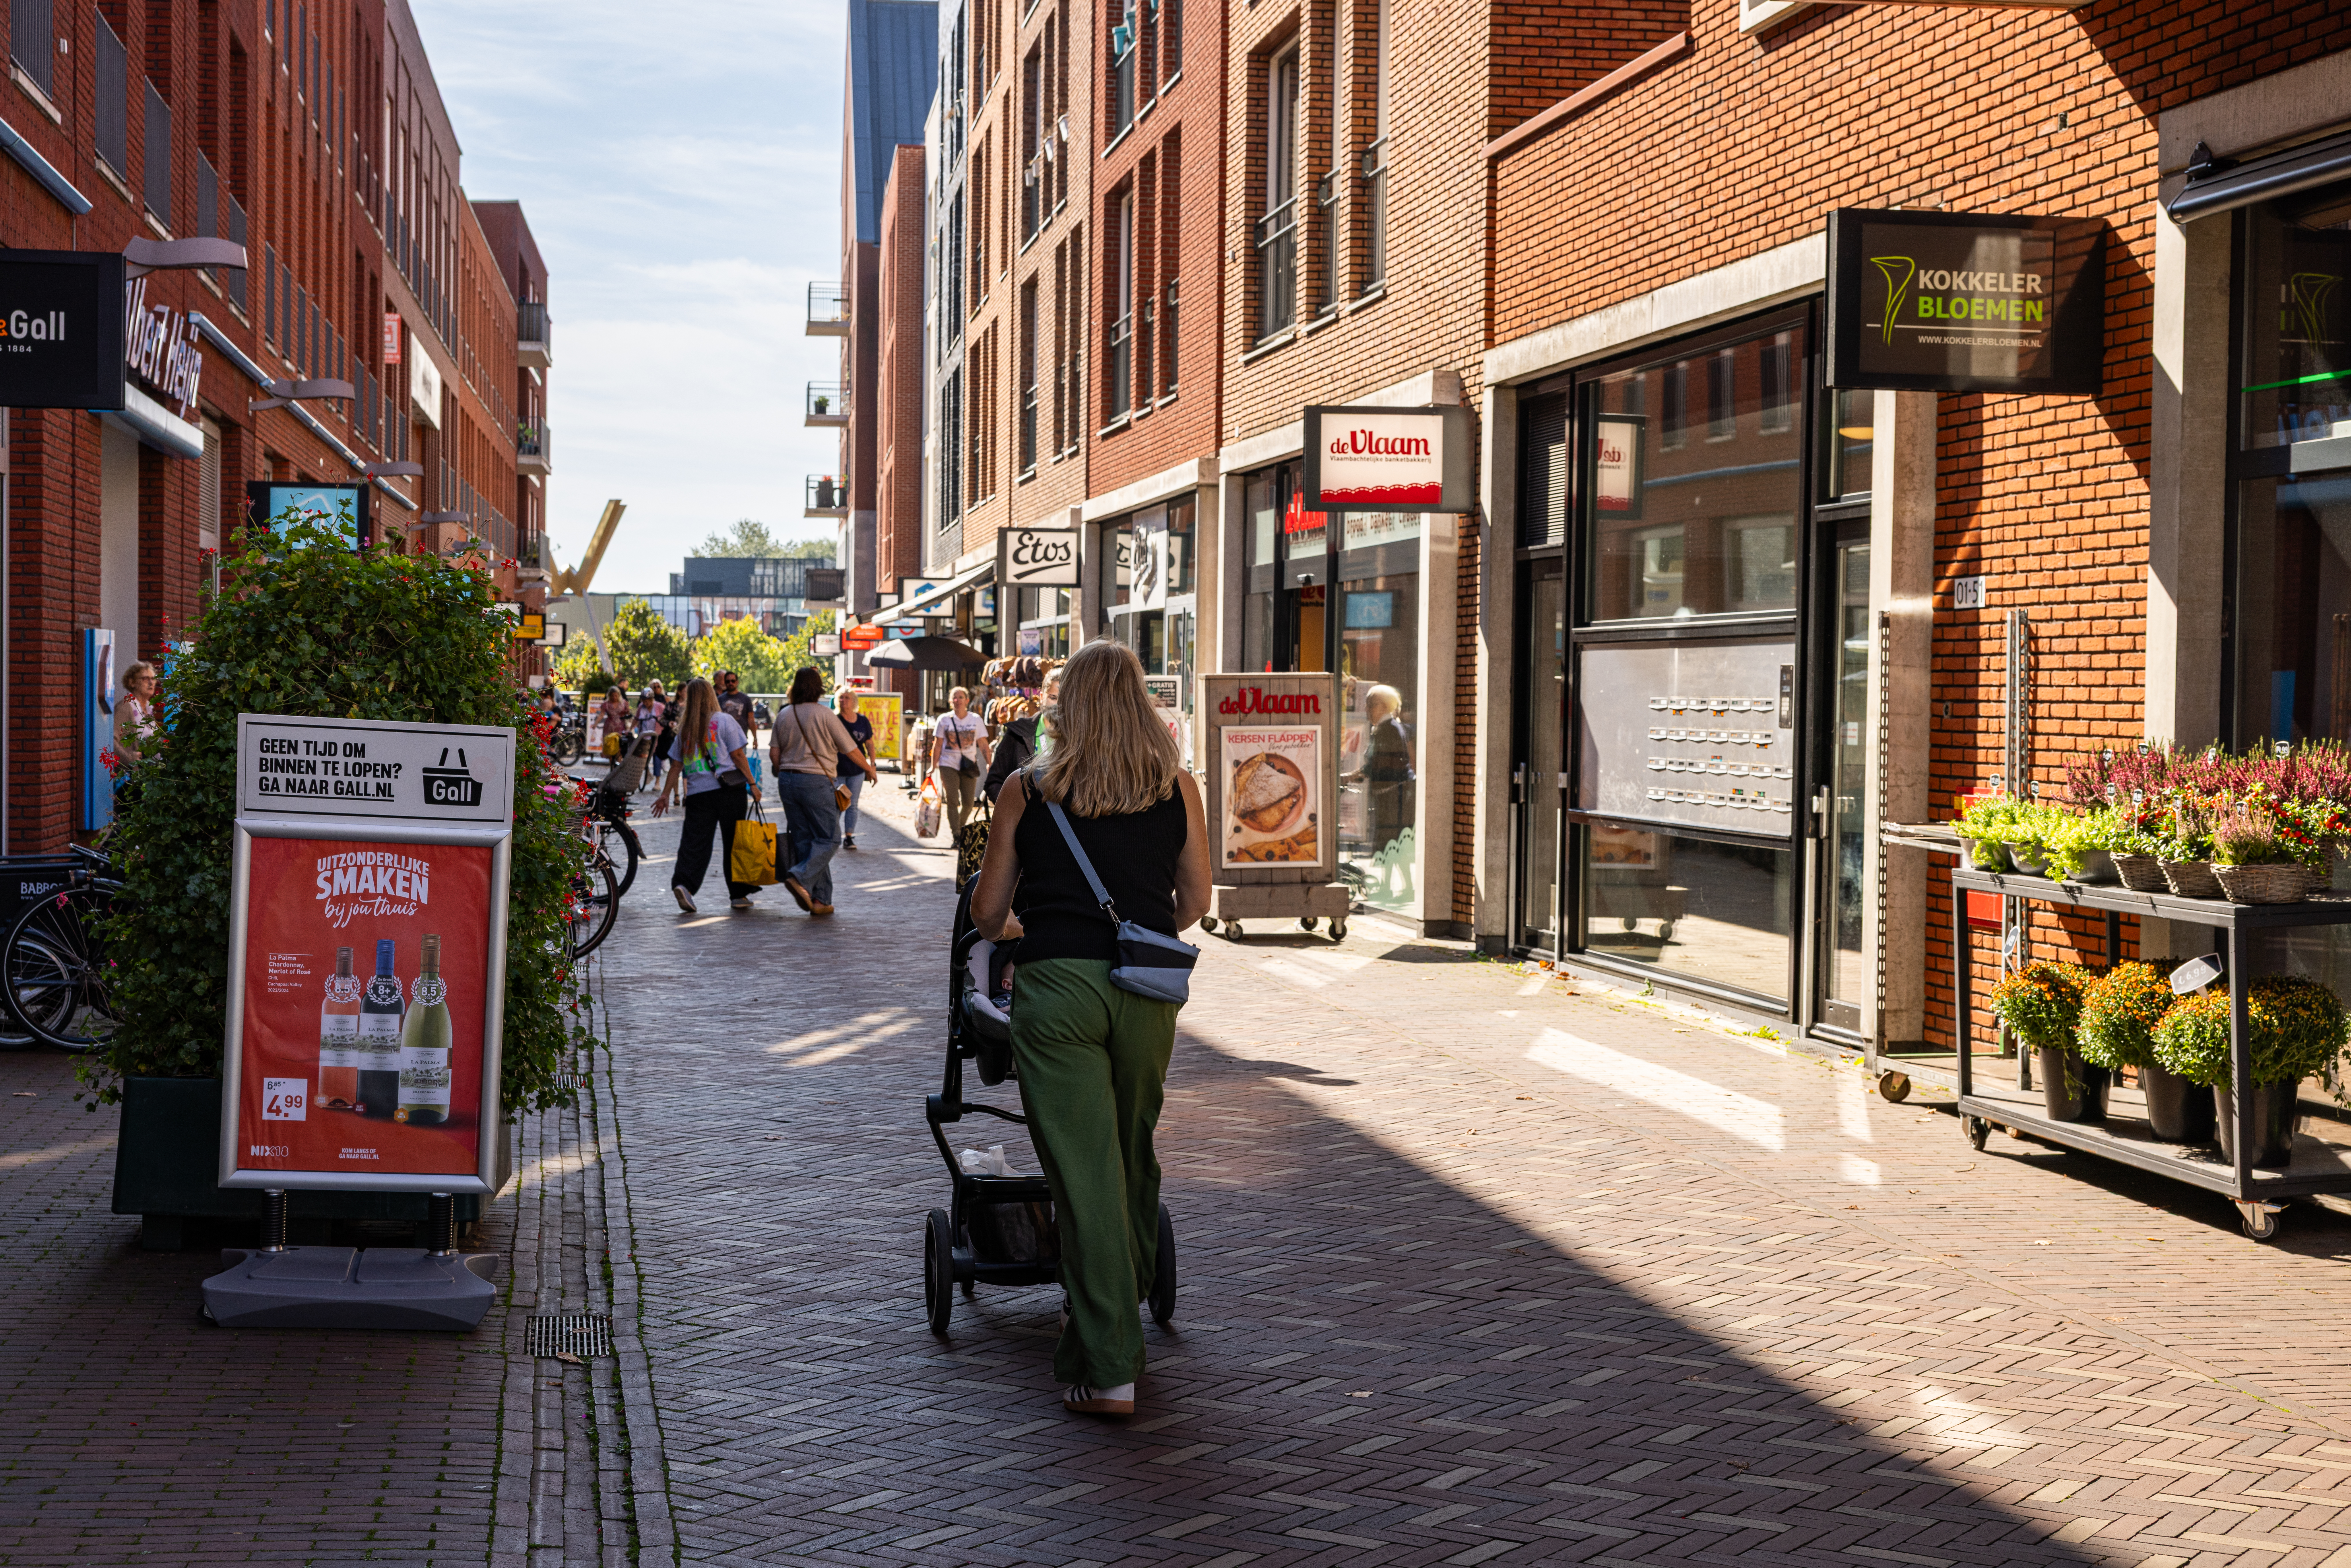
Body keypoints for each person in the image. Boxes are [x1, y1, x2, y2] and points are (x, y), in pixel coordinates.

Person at [970, 641, 1211, 1418]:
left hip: (1059, 990)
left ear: (1066, 705)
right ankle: (1119, 1295)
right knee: (1131, 1147)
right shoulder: (1179, 786)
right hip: (1146, 990)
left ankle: (1109, 1366)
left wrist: (1023, 926)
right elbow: (1196, 900)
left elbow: (986, 913)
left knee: (1083, 1170)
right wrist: (1136, 933)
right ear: (1141, 702)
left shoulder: (1026, 791)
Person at [769, 667, 876, 916]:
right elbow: (850, 749)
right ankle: (800, 877)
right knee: (829, 838)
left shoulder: (785, 714)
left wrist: (785, 771)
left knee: (807, 839)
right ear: (818, 687)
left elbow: (775, 755)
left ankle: (821, 900)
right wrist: (869, 769)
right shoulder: (826, 715)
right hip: (817, 782)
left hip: (787, 781)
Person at [650, 676, 762, 913]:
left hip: (698, 793)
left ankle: (684, 884)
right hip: (729, 791)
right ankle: (738, 894)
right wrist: (753, 784)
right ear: (712, 695)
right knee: (735, 842)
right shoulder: (725, 721)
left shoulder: (686, 728)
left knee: (695, 843)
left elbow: (677, 766)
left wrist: (665, 795)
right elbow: (739, 756)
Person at [983, 665, 1062, 802]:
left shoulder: (1079, 737)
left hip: (1063, 822)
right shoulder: (1018, 735)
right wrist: (1016, 814)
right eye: (1053, 698)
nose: (1058, 705)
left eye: (1064, 699)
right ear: (1042, 697)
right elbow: (994, 783)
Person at [1362, 683, 1417, 858]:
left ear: (1385, 707)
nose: (1368, 709)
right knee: (1390, 842)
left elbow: (1381, 764)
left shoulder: (1389, 729)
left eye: (1372, 705)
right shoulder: (1386, 728)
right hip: (1392, 796)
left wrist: (1354, 776)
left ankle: (1385, 880)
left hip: (1393, 797)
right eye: (1367, 705)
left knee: (1388, 842)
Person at [934, 686, 990, 836]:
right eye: (954, 698)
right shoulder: (944, 720)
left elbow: (984, 744)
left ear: (967, 700)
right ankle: (957, 834)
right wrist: (933, 766)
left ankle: (959, 827)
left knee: (969, 803)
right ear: (950, 701)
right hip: (948, 764)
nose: (957, 701)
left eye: (960, 698)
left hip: (969, 765)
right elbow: (938, 744)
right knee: (952, 799)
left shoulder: (975, 720)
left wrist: (990, 763)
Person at [836, 690, 875, 850]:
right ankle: (833, 836)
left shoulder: (863, 721)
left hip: (857, 770)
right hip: (837, 770)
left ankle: (849, 837)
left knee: (853, 804)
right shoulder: (834, 720)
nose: (844, 701)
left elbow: (870, 743)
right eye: (841, 698)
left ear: (854, 702)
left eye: (847, 698)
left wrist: (872, 765)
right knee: (838, 804)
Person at [113, 661, 159, 765]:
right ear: (132, 683)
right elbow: (110, 740)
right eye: (145, 679)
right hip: (132, 776)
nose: (151, 683)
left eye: (153, 679)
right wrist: (129, 758)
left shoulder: (149, 709)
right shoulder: (125, 707)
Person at [641, 681, 672, 789]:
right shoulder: (641, 707)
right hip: (644, 736)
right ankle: (648, 775)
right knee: (642, 758)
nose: (646, 703)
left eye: (648, 701)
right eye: (644, 701)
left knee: (657, 758)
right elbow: (636, 719)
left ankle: (657, 782)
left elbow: (668, 716)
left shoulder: (660, 705)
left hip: (657, 736)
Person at [599, 686, 631, 762]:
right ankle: (612, 765)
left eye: (616, 695)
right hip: (609, 727)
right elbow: (602, 715)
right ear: (610, 696)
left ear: (619, 695)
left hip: (621, 727)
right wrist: (595, 724)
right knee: (610, 747)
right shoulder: (606, 704)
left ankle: (619, 765)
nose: (614, 697)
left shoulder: (624, 703)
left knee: (619, 747)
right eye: (612, 696)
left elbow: (629, 714)